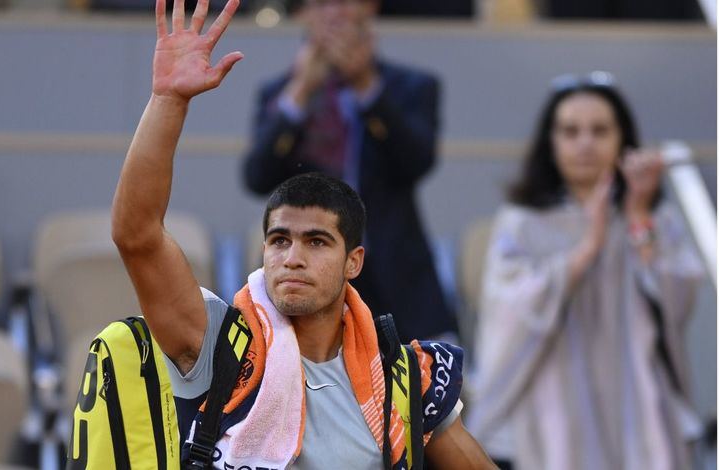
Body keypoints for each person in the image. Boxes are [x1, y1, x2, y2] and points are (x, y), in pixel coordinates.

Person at [111, 0, 496, 468]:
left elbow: (416, 159)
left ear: (353, 259)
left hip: (401, 287)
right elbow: (138, 236)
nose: (292, 256)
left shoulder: (407, 379)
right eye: (279, 241)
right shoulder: (217, 347)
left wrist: (364, 85)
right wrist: (168, 101)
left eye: (315, 242)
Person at [467, 72, 704, 470]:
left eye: (599, 130)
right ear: (551, 141)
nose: (585, 143)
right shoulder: (524, 220)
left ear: (622, 139)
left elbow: (677, 302)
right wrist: (585, 251)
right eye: (570, 131)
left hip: (634, 395)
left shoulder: (651, 216)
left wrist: (637, 217)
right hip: (551, 399)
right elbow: (507, 310)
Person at [241, 0, 456, 343]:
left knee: (408, 392)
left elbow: (415, 163)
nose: (335, 12)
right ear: (305, 12)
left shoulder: (412, 87)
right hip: (303, 274)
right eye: (323, 3)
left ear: (369, 8)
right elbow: (257, 177)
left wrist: (367, 88)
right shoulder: (279, 93)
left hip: (393, 275)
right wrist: (299, 94)